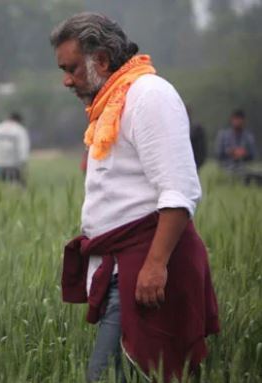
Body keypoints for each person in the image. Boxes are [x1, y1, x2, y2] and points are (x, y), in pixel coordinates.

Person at [51, 13, 219, 382]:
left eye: (72, 68)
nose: (66, 80)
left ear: (102, 60)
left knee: (107, 375)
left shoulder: (149, 96)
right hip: (121, 269)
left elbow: (179, 190)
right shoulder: (112, 103)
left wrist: (156, 265)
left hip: (147, 269)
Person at [0, 112, 30, 185]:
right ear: (19, 121)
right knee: (16, 188)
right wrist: (24, 166)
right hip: (13, 167)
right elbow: (23, 150)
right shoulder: (20, 130)